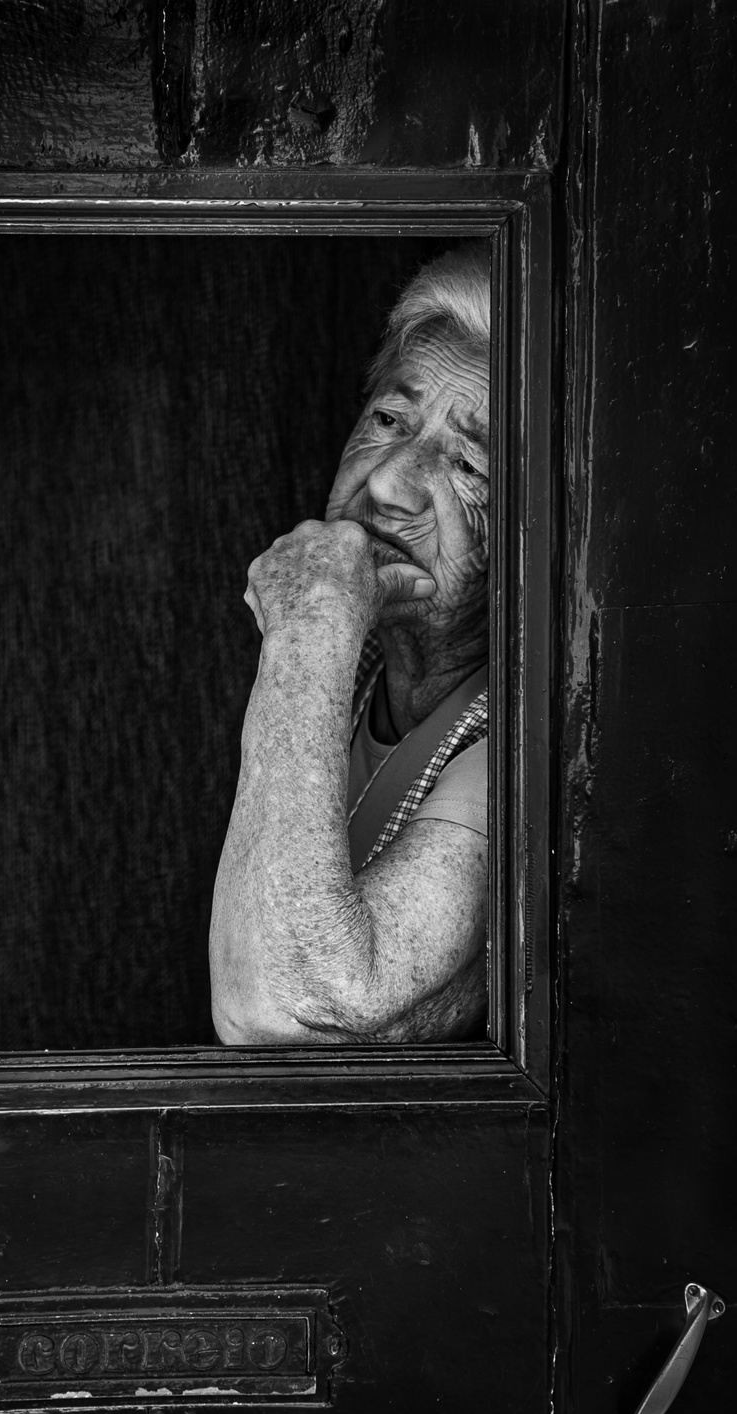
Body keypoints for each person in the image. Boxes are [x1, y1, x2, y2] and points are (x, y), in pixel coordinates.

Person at [210, 244, 491, 1045]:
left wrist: (306, 636)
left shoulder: (519, 750)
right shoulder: (360, 672)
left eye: (468, 463)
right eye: (388, 421)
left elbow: (283, 1006)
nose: (387, 483)